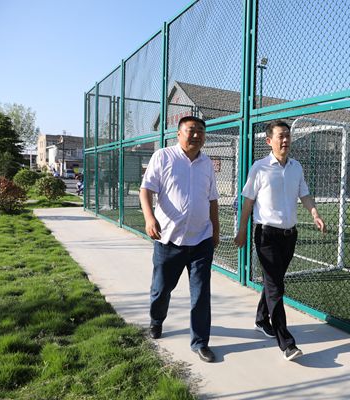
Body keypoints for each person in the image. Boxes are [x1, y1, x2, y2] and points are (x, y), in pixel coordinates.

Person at [234, 120, 326, 362]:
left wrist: (315, 214)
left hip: (289, 236)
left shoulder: (296, 167)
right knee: (276, 286)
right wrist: (241, 230)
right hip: (266, 236)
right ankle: (286, 343)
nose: (285, 140)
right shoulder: (259, 167)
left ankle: (261, 319)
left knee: (273, 282)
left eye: (288, 136)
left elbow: (304, 194)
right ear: (269, 141)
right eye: (280, 136)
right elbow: (248, 201)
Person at [139, 116, 220, 363]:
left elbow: (212, 200)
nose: (196, 135)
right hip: (168, 240)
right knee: (161, 289)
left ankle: (200, 342)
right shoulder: (163, 157)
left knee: (201, 294)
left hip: (201, 240)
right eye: (191, 130)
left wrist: (215, 230)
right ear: (178, 133)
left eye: (201, 131)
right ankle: (156, 320)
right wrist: (150, 219)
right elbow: (146, 189)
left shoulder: (207, 163)